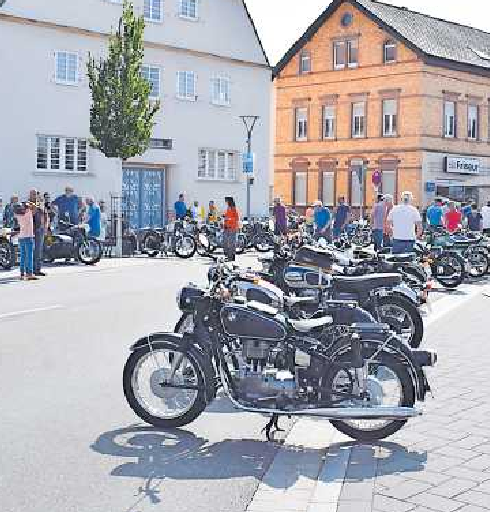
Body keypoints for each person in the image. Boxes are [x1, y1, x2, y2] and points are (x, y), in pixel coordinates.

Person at [14, 200, 38, 281]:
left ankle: (22, 274)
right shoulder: (28, 213)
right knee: (29, 256)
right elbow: (35, 208)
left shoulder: (18, 215)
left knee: (23, 256)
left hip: (21, 237)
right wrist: (31, 204)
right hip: (28, 237)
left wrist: (26, 205)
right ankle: (29, 274)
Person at [28, 189, 47, 277]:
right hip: (31, 230)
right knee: (31, 250)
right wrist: (35, 207)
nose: (34, 196)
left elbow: (45, 214)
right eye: (33, 194)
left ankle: (37, 269)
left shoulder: (40, 204)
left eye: (35, 194)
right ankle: (30, 270)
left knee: (39, 250)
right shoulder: (28, 204)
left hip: (41, 229)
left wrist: (46, 226)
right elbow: (29, 215)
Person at [223, 196, 239, 261]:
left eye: (226, 201)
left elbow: (236, 218)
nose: (225, 202)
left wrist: (228, 218)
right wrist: (224, 216)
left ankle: (231, 257)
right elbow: (228, 216)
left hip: (232, 228)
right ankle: (228, 255)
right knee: (226, 242)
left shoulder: (233, 208)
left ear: (229, 201)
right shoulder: (228, 208)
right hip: (227, 227)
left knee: (231, 243)